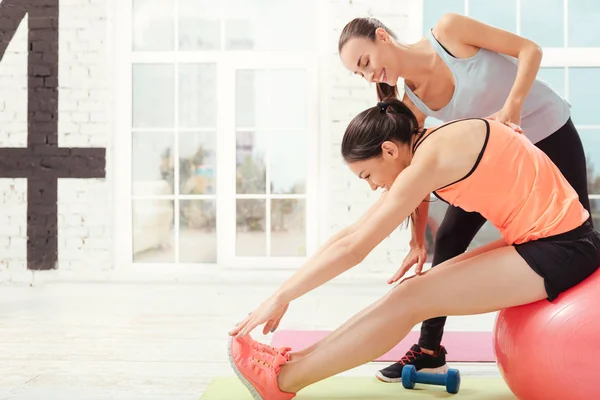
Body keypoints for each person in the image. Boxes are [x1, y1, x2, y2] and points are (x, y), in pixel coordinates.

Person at [227, 100, 600, 400]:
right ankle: (289, 363)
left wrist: (281, 297)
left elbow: (355, 248)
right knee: (409, 293)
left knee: (412, 299)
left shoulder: (429, 160)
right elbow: (351, 234)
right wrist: (281, 293)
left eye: (368, 176)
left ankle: (282, 382)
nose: (373, 187)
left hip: (564, 248)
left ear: (389, 150)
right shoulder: (434, 143)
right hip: (544, 238)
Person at [336, 13, 593, 381]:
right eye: (359, 74)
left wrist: (513, 107)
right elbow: (414, 170)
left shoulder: (449, 32)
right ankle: (428, 350)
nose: (368, 75)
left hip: (549, 132)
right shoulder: (412, 107)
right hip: (502, 164)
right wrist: (415, 238)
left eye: (365, 62)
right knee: (449, 237)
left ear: (382, 37)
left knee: (580, 237)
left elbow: (529, 50)